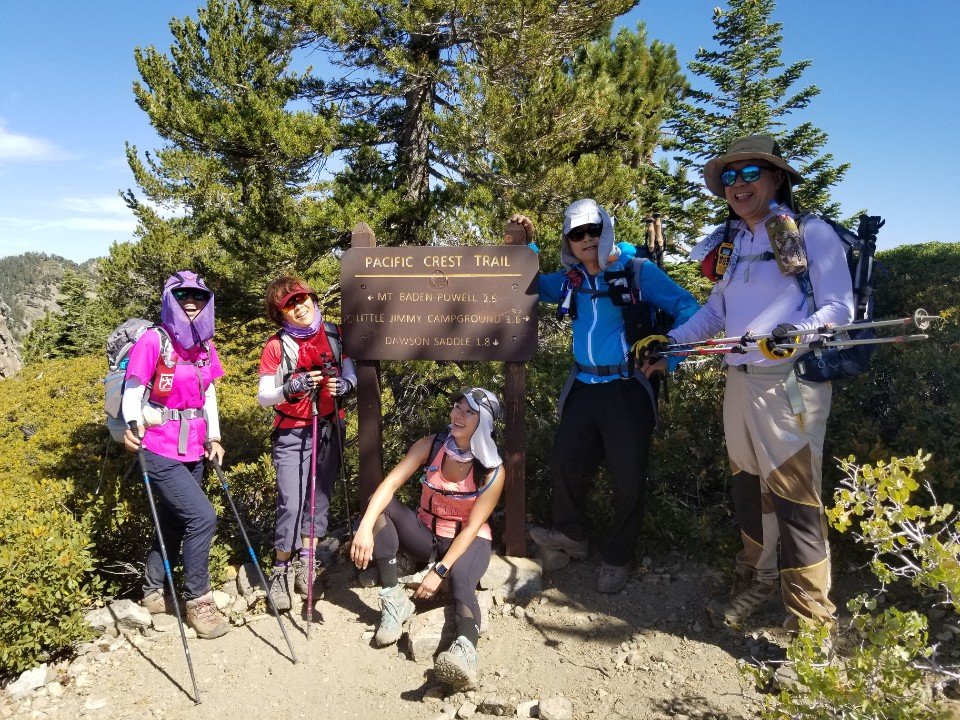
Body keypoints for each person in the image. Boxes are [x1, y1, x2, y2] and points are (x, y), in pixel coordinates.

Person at [667, 134, 854, 632]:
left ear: (777, 178)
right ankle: (760, 579)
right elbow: (715, 313)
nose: (739, 184)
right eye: (729, 176)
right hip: (739, 378)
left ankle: (811, 627)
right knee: (749, 488)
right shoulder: (734, 241)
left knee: (795, 498)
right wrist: (669, 342)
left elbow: (839, 309)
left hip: (789, 383)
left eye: (751, 173)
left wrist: (797, 333)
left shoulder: (811, 232)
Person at [513, 200, 699, 594]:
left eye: (593, 230)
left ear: (607, 229)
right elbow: (526, 285)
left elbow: (688, 307)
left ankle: (617, 557)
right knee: (565, 461)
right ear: (568, 240)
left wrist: (672, 354)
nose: (587, 239)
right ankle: (572, 535)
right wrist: (527, 246)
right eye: (577, 233)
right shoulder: (571, 280)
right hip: (583, 385)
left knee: (627, 477)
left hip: (628, 385)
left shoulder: (638, 272)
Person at [350, 388, 504, 690]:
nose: (457, 415)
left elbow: (473, 527)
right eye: (457, 407)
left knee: (462, 578)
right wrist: (365, 526)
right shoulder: (431, 446)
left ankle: (465, 650)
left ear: (483, 421)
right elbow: (390, 484)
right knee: (380, 507)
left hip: (468, 539)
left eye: (469, 412)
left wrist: (441, 571)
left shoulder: (492, 470)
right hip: (428, 535)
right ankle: (394, 600)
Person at [123, 270, 230, 639]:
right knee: (202, 519)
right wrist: (133, 425)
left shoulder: (204, 346)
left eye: (198, 297)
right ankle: (198, 599)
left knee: (174, 520)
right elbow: (133, 389)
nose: (190, 301)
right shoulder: (155, 340)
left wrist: (214, 437)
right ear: (169, 298)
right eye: (182, 294)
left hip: (194, 447)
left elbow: (209, 394)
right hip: (158, 446)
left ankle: (154, 590)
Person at [257, 275, 357, 613]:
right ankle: (280, 569)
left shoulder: (333, 334)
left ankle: (307, 562)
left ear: (313, 299)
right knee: (291, 500)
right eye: (290, 304)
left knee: (320, 498)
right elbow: (263, 395)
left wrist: (345, 386)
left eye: (302, 299)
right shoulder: (276, 346)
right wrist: (291, 387)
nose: (299, 307)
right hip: (292, 431)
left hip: (329, 425)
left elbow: (350, 371)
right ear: (280, 313)